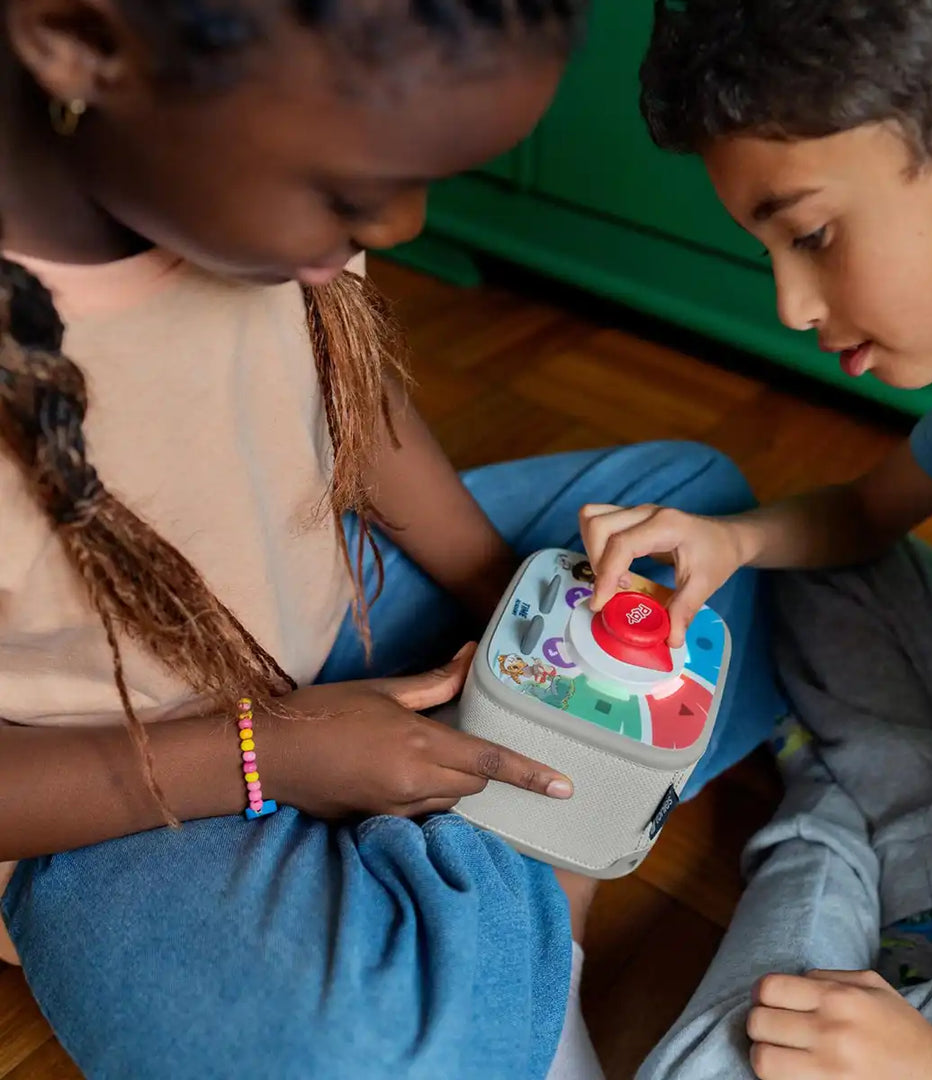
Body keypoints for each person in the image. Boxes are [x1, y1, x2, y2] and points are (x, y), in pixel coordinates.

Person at [0, 2, 785, 1077]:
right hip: (122, 793)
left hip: (340, 625)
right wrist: (274, 754)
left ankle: (501, 899)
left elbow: (353, 414)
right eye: (357, 192)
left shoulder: (256, 188)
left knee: (693, 507)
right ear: (78, 37)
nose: (406, 225)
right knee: (365, 1049)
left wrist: (509, 612)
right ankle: (522, 910)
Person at [581, 1, 932, 1076]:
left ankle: (874, 839)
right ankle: (929, 863)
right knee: (808, 577)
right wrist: (727, 541)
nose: (792, 304)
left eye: (810, 235)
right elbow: (860, 517)